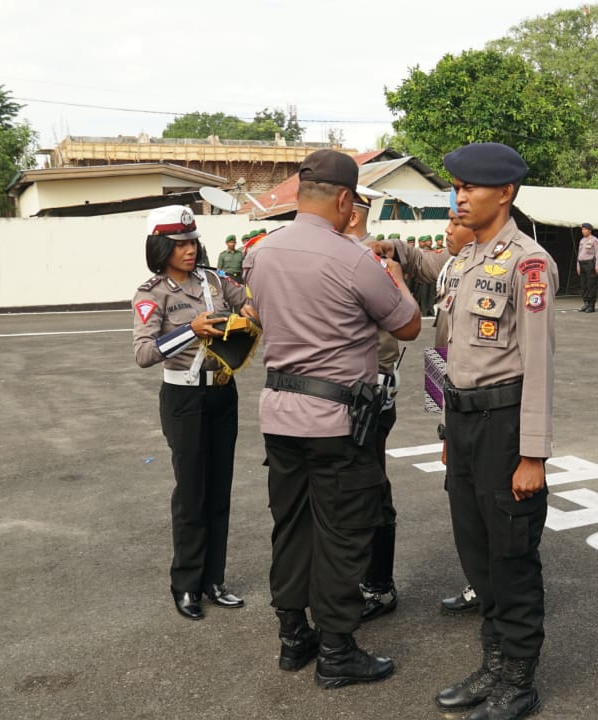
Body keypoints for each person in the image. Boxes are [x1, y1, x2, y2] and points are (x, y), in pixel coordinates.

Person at [243, 149, 421, 687]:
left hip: (279, 414)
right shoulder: (352, 259)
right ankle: (338, 652)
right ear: (345, 199)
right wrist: (395, 276)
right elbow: (408, 326)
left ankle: (294, 637)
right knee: (343, 532)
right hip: (337, 420)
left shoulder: (260, 253)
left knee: (291, 526)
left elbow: (255, 314)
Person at [427, 142, 556, 720]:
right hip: (464, 422)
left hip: (506, 427)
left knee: (511, 556)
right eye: (456, 188)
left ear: (503, 193)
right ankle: (493, 665)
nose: (460, 197)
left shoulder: (528, 263)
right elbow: (451, 353)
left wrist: (533, 455)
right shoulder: (467, 261)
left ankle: (520, 679)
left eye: (470, 188)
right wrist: (449, 429)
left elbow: (540, 366)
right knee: (477, 554)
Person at [132, 205, 254, 621]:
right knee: (191, 495)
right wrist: (190, 330)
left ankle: (214, 580)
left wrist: (251, 313)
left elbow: (251, 301)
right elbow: (144, 353)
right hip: (183, 400)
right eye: (179, 243)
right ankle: (186, 585)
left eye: (191, 241)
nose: (189, 249)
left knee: (220, 491)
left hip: (223, 394)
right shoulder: (153, 293)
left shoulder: (215, 280)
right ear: (160, 247)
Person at [376, 215, 483, 616]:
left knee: (486, 497)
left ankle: (493, 585)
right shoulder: (453, 263)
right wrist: (393, 249)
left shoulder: (490, 264)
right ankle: (478, 581)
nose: (448, 230)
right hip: (449, 387)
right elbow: (421, 259)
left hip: (482, 395)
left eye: (457, 223)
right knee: (459, 493)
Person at [343, 189, 402, 623]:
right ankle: (353, 578)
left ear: (350, 213)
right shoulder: (336, 254)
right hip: (338, 389)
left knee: (369, 485)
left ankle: (378, 584)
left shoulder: (374, 259)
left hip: (371, 389)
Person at [576, 223, 598, 313]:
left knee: (591, 285)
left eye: (585, 229)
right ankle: (586, 303)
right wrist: (578, 266)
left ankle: (591, 305)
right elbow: (579, 254)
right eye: (582, 229)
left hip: (590, 264)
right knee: (583, 285)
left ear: (590, 230)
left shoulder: (594, 240)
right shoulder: (582, 240)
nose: (583, 231)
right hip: (582, 264)